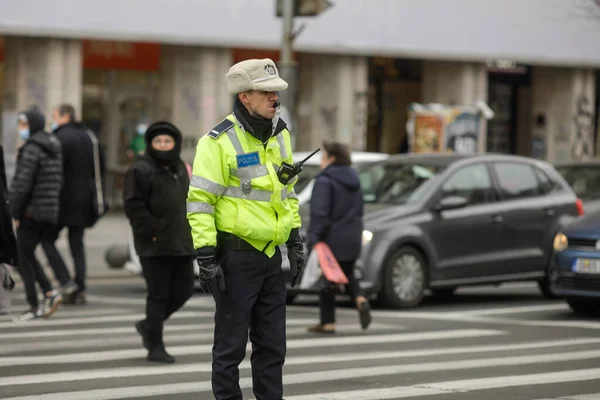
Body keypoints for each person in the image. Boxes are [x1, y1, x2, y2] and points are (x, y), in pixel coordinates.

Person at [187, 58, 305, 400]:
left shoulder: (280, 134)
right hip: (235, 258)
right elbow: (200, 202)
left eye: (276, 92)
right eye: (265, 92)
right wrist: (206, 255)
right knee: (230, 348)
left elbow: (287, 192)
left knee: (272, 349)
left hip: (270, 258)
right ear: (244, 97)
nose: (274, 98)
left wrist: (294, 240)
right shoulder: (217, 142)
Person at [123, 121, 195, 364]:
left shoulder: (182, 167)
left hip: (181, 240)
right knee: (158, 295)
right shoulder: (141, 168)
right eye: (158, 141)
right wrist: (150, 231)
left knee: (184, 290)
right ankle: (156, 346)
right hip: (154, 244)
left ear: (175, 143)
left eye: (168, 141)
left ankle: (148, 325)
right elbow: (133, 205)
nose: (163, 146)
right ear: (151, 144)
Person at [307, 141, 371, 333]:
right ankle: (359, 298)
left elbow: (320, 214)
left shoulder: (325, 181)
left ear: (332, 158)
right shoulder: (355, 179)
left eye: (323, 156)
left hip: (331, 238)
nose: (321, 161)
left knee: (327, 278)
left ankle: (328, 322)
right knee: (347, 272)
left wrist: (314, 239)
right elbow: (359, 209)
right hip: (352, 235)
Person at [41, 104, 99, 305]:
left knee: (46, 239)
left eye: (55, 115)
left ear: (65, 116)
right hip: (85, 200)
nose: (53, 119)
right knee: (77, 245)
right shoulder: (89, 137)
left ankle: (66, 281)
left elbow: (53, 170)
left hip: (62, 199)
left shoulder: (57, 138)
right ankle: (81, 289)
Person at [9, 109, 63, 322]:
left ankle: (35, 303)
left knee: (22, 256)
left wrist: (13, 211)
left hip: (31, 211)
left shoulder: (32, 149)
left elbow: (22, 184)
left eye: (23, 124)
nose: (21, 128)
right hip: (47, 210)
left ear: (32, 124)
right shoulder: (52, 146)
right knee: (27, 253)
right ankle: (49, 293)